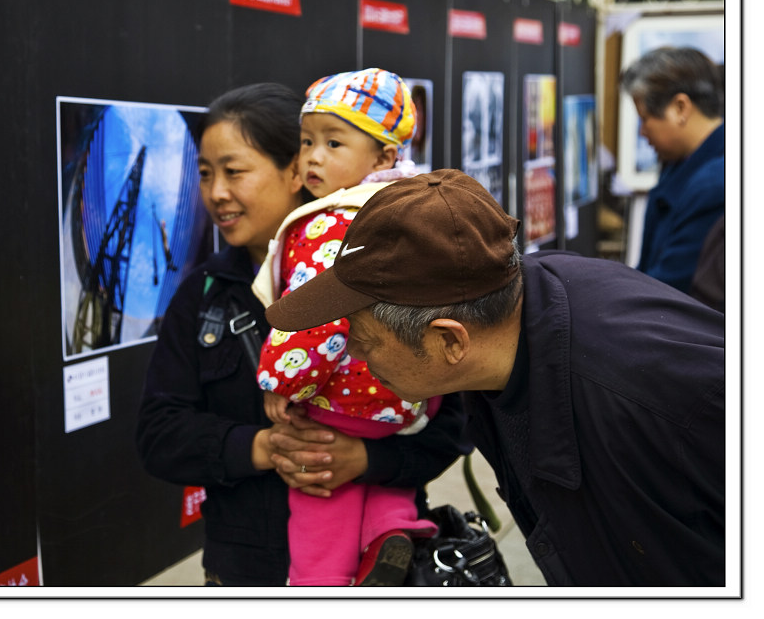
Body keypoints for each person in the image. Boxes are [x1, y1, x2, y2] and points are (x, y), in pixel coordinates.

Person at [265, 168, 725, 586]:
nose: (354, 355)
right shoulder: (515, 322)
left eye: (364, 339)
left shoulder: (650, 395)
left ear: (449, 341)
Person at [135, 83, 469, 586]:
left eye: (234, 171)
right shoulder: (204, 296)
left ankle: (392, 531)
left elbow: (452, 426)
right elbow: (159, 434)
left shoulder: (388, 272)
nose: (216, 193)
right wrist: (265, 447)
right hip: (244, 570)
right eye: (205, 175)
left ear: (296, 171)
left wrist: (369, 459)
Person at [252, 68, 439, 586]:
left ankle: (320, 584)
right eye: (307, 140)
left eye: (333, 143)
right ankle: (393, 530)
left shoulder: (333, 222)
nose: (312, 156)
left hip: (343, 401)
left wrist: (281, 382)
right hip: (403, 397)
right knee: (383, 489)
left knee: (319, 508)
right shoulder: (407, 208)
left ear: (383, 157)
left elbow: (314, 314)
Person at [621, 46, 724, 295]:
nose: (642, 132)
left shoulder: (716, 186)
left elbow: (671, 287)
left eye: (645, 119)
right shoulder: (681, 163)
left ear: (680, 108)